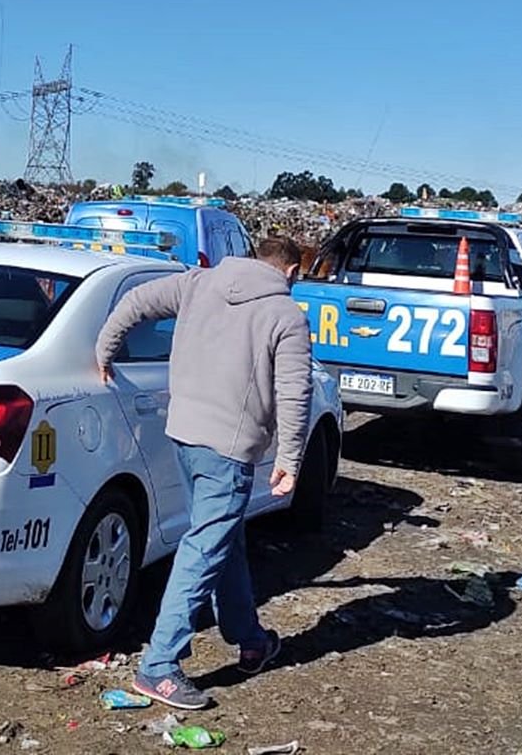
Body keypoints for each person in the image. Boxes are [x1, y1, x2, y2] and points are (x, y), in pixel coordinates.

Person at [94, 237, 313, 710]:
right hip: (229, 449)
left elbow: (135, 302)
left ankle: (250, 638)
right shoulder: (286, 315)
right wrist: (289, 460)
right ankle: (159, 666)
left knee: (222, 539)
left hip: (184, 435)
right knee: (202, 550)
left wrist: (104, 348)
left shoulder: (197, 283)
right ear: (290, 272)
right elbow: (296, 393)